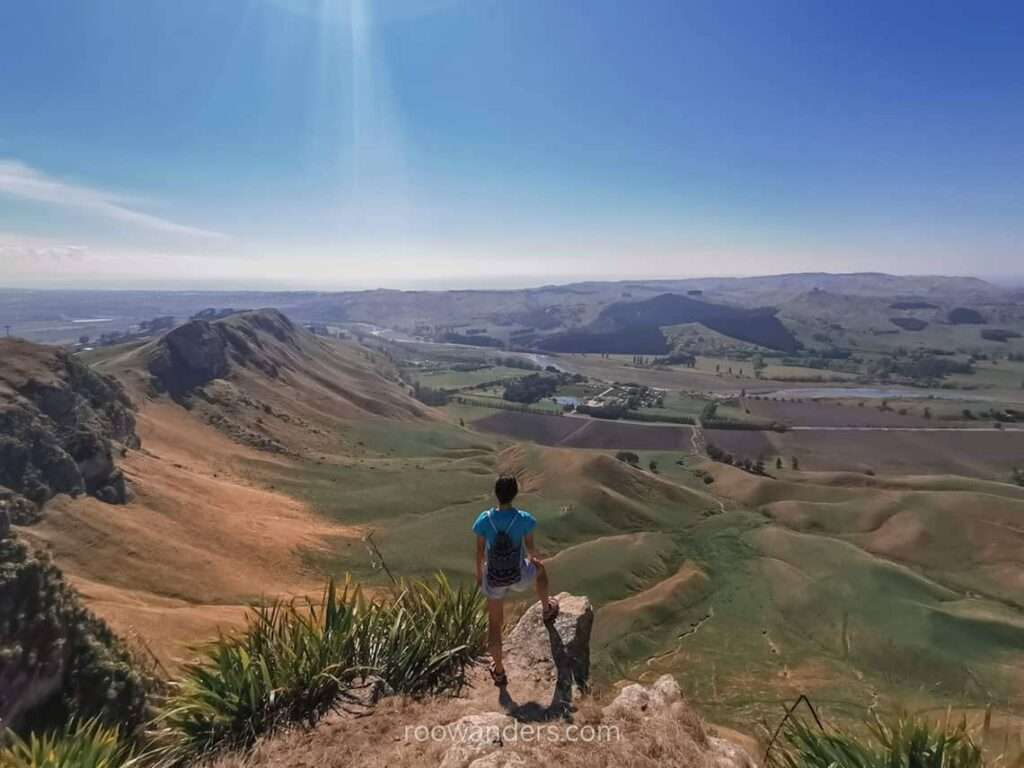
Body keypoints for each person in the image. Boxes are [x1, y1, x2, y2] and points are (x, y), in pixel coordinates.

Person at [473, 474, 559, 687]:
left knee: (494, 624)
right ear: (515, 494)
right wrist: (534, 561)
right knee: (541, 570)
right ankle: (547, 607)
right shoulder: (524, 519)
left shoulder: (484, 519)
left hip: (493, 580)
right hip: (518, 576)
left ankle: (500, 672)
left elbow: (479, 552)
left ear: (496, 493)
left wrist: (479, 575)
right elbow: (530, 549)